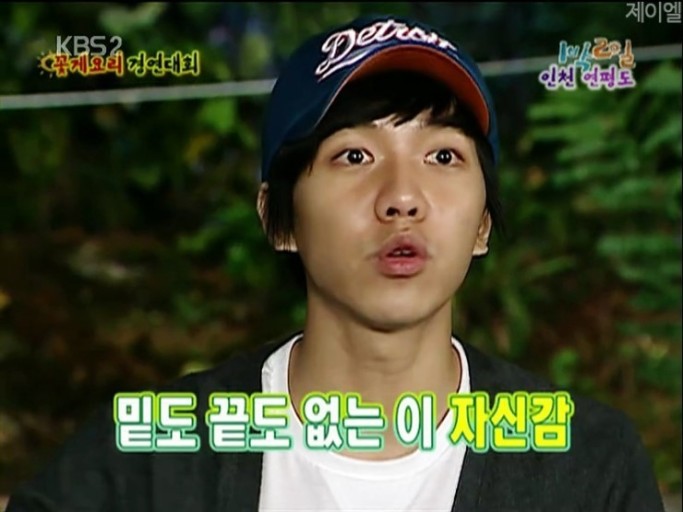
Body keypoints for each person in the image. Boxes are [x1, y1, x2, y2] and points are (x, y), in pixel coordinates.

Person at [7, 14, 665, 512]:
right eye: (354, 155)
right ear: (279, 219)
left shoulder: (585, 465)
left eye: (442, 156)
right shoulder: (149, 460)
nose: (402, 197)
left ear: (483, 224)